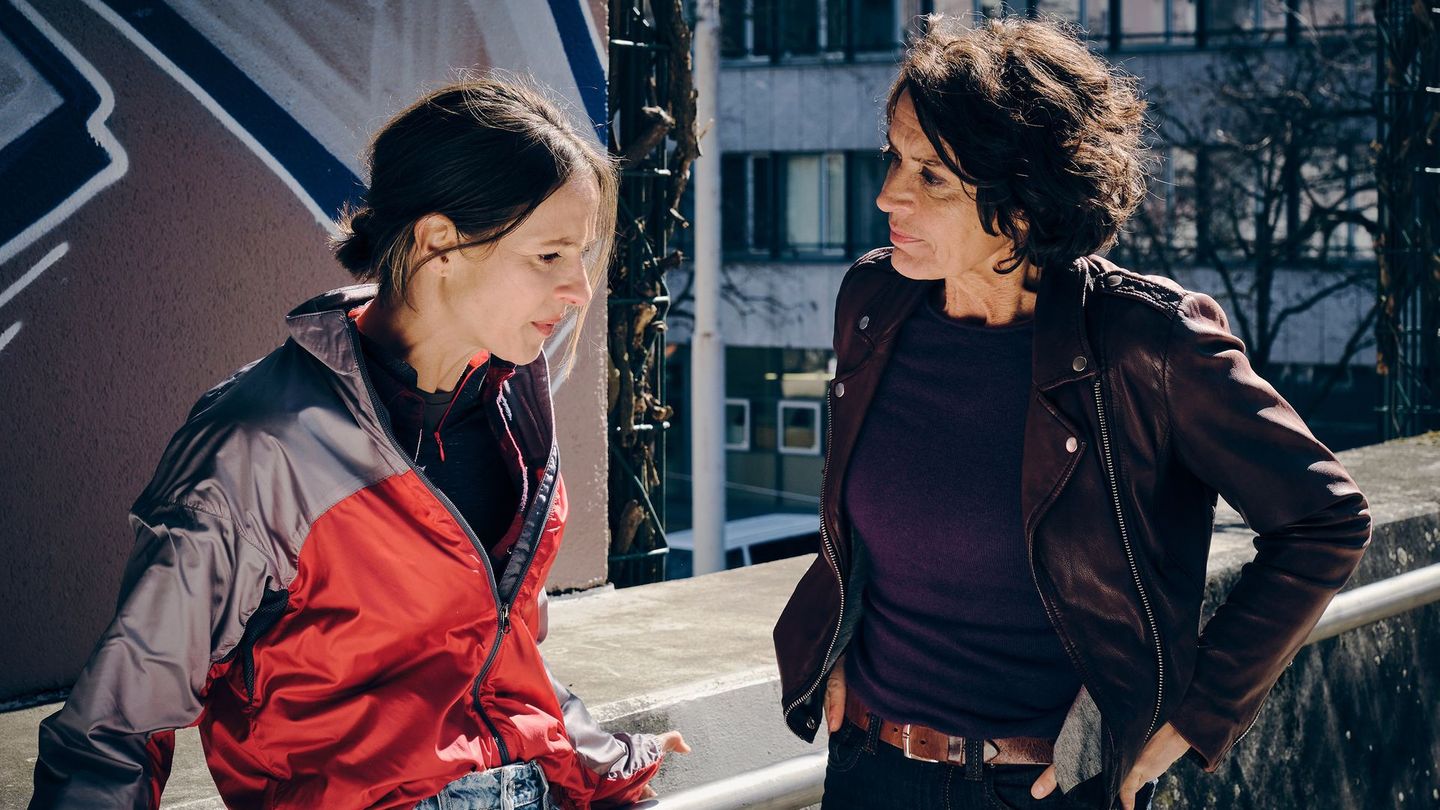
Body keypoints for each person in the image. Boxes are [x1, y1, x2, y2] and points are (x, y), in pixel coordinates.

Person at [31, 77, 687, 810]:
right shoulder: (257, 448)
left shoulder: (514, 421)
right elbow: (112, 729)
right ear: (440, 241)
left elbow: (496, 663)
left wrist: (607, 761)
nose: (579, 290)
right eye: (549, 257)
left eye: (584, 257)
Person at [772, 16, 1371, 810]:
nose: (888, 194)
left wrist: (1195, 714)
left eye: (932, 177)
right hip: (868, 772)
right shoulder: (873, 303)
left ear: (1023, 203)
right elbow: (862, 522)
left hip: (1047, 790)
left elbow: (1324, 521)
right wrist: (838, 645)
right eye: (894, 157)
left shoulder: (1148, 343)